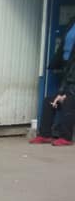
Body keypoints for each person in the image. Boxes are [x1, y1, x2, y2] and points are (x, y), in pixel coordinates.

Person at [30, 17, 75, 146]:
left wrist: (65, 94)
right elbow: (69, 78)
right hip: (69, 76)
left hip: (72, 88)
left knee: (68, 102)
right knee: (48, 101)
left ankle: (66, 138)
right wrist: (62, 93)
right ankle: (45, 135)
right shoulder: (72, 22)